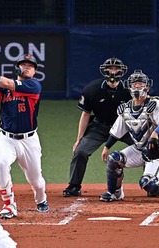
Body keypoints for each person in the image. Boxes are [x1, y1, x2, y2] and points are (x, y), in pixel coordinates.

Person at [0, 53, 49, 219]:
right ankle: (9, 205)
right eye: (23, 64)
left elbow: (9, 83)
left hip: (29, 141)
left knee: (36, 181)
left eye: (30, 66)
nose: (27, 67)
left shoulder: (34, 86)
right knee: (2, 164)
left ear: (35, 71)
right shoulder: (5, 87)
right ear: (17, 68)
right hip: (6, 138)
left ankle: (41, 199)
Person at [99, 69, 159, 203]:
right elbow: (116, 131)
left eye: (140, 84)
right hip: (139, 149)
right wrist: (107, 147)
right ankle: (115, 193)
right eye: (134, 84)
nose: (137, 87)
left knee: (148, 183)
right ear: (129, 86)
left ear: (147, 87)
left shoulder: (154, 104)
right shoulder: (125, 108)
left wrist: (155, 135)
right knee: (114, 159)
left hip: (158, 149)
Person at [63, 57, 133, 197]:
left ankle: (151, 184)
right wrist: (79, 139)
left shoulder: (128, 90)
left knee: (146, 147)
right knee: (80, 151)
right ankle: (74, 186)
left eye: (116, 68)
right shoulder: (92, 89)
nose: (113, 71)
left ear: (121, 71)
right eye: (110, 68)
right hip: (100, 126)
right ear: (105, 70)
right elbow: (85, 114)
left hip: (124, 127)